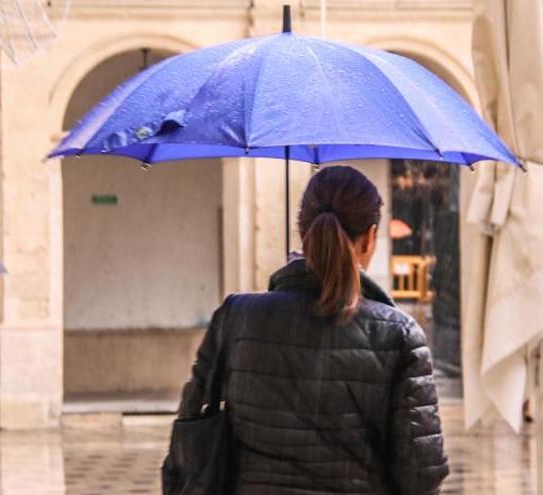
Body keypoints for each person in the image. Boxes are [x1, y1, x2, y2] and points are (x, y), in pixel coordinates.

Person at [176, 166, 449, 494]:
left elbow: (190, 429)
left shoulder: (235, 317)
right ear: (371, 237)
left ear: (302, 230)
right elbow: (420, 474)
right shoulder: (399, 335)